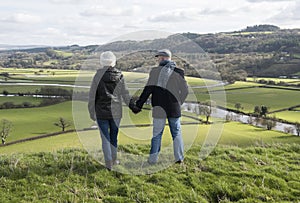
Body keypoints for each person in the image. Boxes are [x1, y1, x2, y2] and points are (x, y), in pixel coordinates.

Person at [133, 49, 189, 164]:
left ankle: (153, 160)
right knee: (176, 133)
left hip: (159, 108)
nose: (157, 59)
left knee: (157, 134)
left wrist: (139, 104)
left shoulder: (155, 71)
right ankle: (179, 159)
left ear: (163, 58)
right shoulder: (179, 71)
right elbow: (185, 90)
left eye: (158, 57)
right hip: (174, 108)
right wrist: (179, 102)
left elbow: (148, 89)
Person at [88, 51, 139, 170]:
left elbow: (92, 96)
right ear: (113, 61)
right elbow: (125, 94)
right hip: (116, 112)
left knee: (105, 138)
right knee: (113, 137)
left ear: (102, 62)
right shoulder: (120, 76)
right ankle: (115, 160)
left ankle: (108, 163)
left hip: (101, 112)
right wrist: (134, 107)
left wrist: (92, 112)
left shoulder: (97, 76)